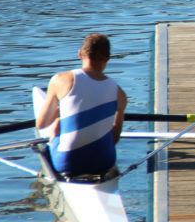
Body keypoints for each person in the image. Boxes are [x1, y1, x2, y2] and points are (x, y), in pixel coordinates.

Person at [35, 33, 128, 179]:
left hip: (67, 163)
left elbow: (41, 124)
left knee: (58, 124)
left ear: (80, 54)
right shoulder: (120, 93)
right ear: (108, 58)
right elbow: (115, 138)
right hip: (104, 162)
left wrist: (61, 112)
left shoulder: (61, 80)